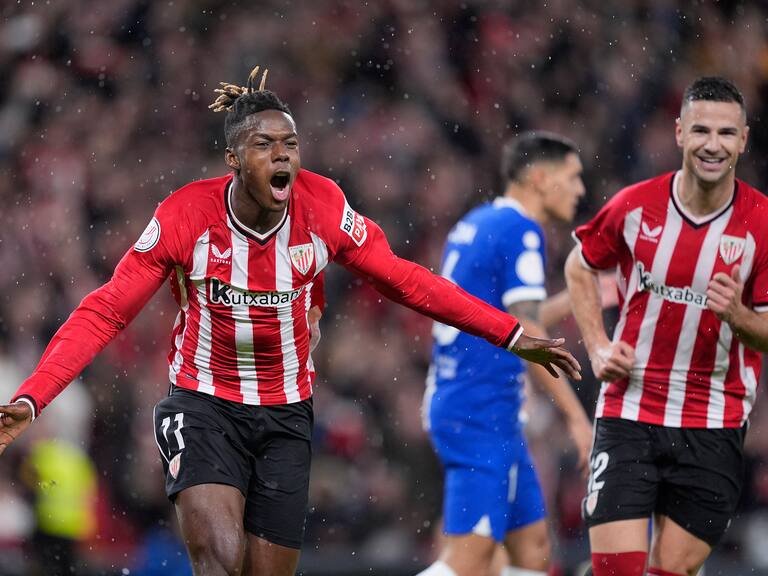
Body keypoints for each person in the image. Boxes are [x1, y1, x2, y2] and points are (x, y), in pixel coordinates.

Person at [0, 66, 581, 576]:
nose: (282, 155)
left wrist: (510, 334)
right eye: (264, 144)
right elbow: (105, 311)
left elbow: (407, 281)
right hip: (204, 404)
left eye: (290, 143)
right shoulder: (185, 217)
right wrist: (33, 397)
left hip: (285, 414)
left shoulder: (323, 207)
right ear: (233, 160)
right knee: (220, 557)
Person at [565, 76, 768, 576]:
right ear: (679, 133)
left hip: (714, 421)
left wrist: (738, 316)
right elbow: (580, 265)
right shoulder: (635, 205)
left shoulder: (763, 224)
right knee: (617, 570)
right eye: (701, 131)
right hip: (630, 409)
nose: (712, 145)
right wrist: (596, 346)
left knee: (671, 571)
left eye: (726, 133)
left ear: (743, 140)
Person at [418, 132, 594, 576]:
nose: (580, 189)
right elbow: (529, 330)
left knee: (532, 550)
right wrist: (577, 418)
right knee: (469, 563)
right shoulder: (522, 230)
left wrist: (585, 296)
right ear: (539, 178)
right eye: (572, 177)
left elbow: (511, 320)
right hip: (479, 411)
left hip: (476, 406)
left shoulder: (478, 222)